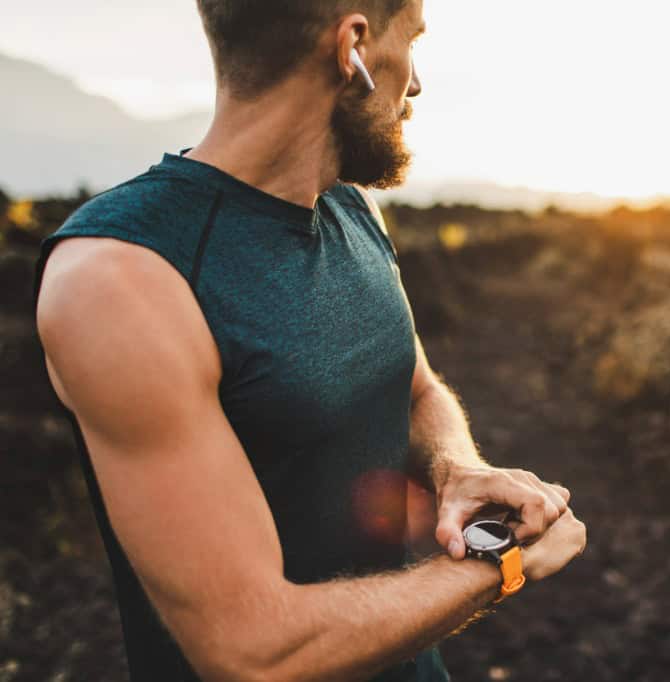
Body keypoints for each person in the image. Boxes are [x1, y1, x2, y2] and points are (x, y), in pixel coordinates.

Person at [31, 1, 587, 680]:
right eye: (410, 43)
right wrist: (501, 565)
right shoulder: (121, 278)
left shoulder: (352, 206)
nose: (416, 84)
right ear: (352, 47)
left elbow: (415, 388)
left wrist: (455, 469)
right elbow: (251, 649)